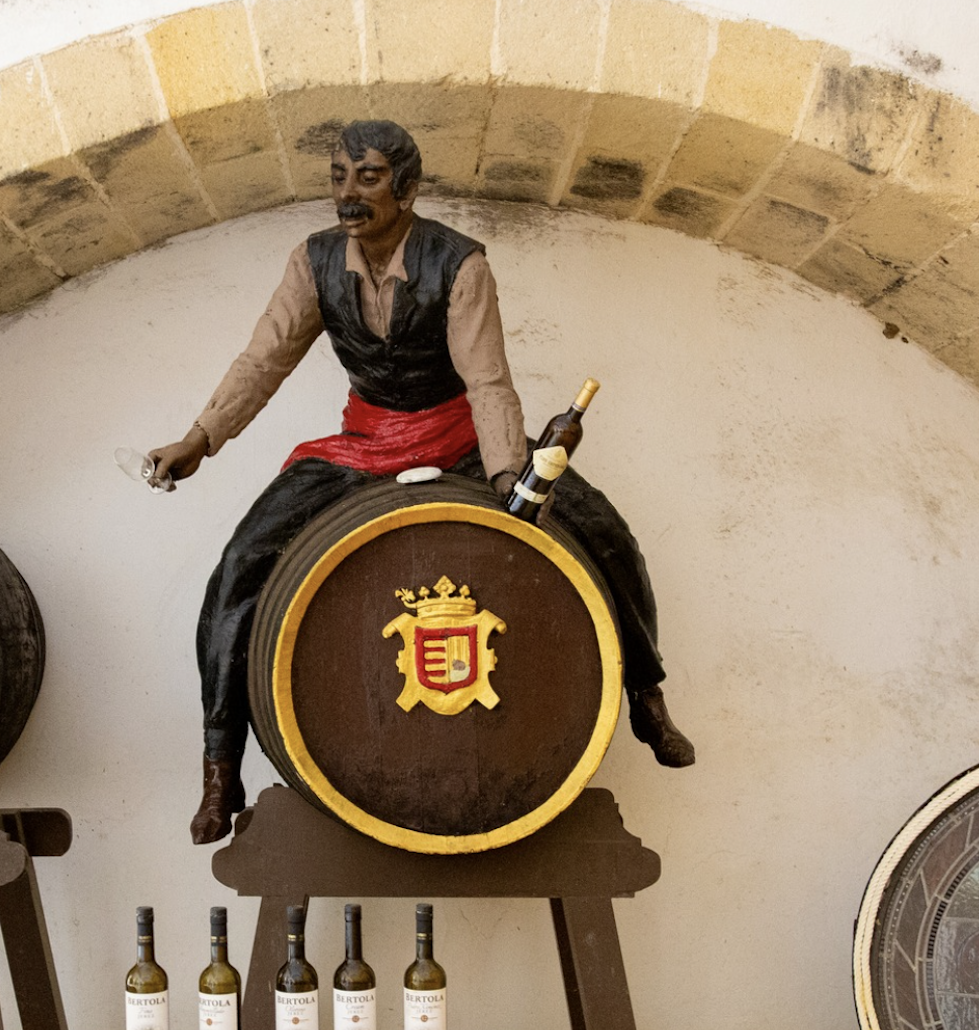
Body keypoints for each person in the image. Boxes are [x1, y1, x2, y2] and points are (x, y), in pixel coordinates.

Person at [149, 120, 692, 845]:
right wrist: (200, 439)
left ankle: (647, 697)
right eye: (339, 175)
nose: (348, 193)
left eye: (366, 177)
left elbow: (488, 378)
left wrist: (509, 474)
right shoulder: (313, 262)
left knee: (605, 535)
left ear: (407, 189)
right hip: (363, 438)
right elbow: (264, 359)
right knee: (239, 571)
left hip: (460, 435)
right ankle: (221, 769)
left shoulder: (459, 263)